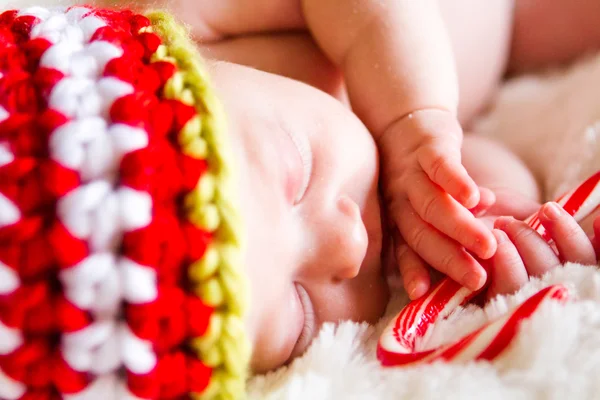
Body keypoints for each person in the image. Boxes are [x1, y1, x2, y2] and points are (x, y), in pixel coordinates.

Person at [1, 4, 600, 400]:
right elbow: (476, 161)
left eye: (297, 172)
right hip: (519, 31)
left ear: (179, 54)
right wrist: (481, 227)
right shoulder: (352, 234)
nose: (349, 245)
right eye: (299, 314)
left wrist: (413, 117)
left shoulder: (190, 17)